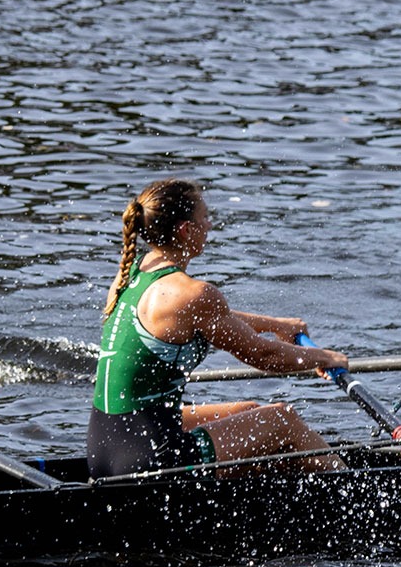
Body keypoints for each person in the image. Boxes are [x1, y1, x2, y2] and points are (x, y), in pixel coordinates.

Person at [88, 178, 349, 478]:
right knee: (282, 418)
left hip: (104, 447)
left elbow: (209, 318)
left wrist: (275, 325)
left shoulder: (132, 276)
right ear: (186, 230)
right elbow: (263, 356)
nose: (210, 226)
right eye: (205, 218)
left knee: (249, 411)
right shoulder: (192, 294)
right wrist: (326, 358)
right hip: (149, 458)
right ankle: (356, 496)